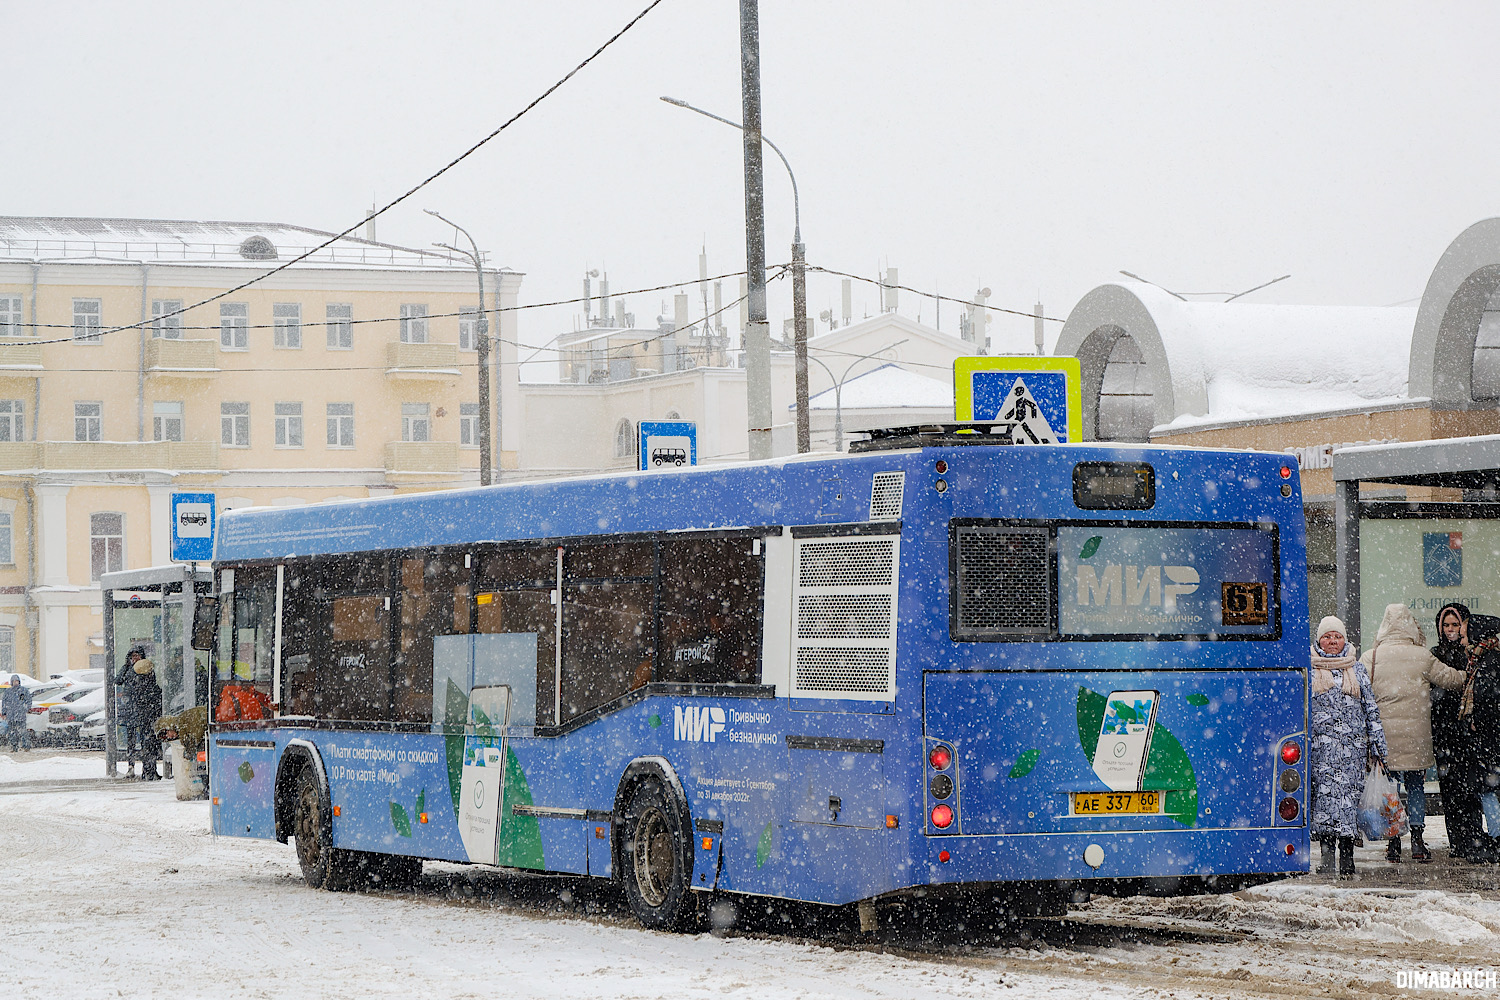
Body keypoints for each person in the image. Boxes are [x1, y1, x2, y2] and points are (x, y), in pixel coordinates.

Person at [1361, 604, 1466, 863]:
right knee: (1416, 785)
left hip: (1385, 737)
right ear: (1411, 624)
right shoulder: (1421, 656)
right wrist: (1473, 670)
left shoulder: (1370, 657)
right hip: (1416, 736)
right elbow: (1452, 679)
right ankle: (1417, 840)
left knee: (1391, 787)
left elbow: (1359, 692)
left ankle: (1394, 841)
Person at [1309, 616, 1387, 877]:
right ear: (1319, 640)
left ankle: (1348, 858)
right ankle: (1327, 856)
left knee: (1348, 804)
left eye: (1338, 636)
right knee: (1324, 804)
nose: (1333, 641)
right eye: (1327, 636)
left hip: (1351, 753)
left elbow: (1371, 709)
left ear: (1345, 639)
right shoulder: (1309, 669)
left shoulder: (1357, 668)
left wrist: (1378, 747)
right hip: (1320, 753)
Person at [1431, 604, 1492, 860]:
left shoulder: (1474, 654)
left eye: (1455, 624)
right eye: (1446, 625)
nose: (1451, 630)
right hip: (1444, 730)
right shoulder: (1434, 654)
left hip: (1467, 731)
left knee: (1471, 788)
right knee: (1450, 789)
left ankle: (1473, 838)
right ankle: (1457, 840)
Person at [118, 649, 164, 780]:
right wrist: (128, 668)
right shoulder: (130, 671)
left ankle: (149, 769)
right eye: (133, 656)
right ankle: (138, 768)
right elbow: (118, 680)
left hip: (146, 711)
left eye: (137, 656)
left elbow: (150, 688)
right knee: (138, 741)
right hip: (137, 711)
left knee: (149, 741)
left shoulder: (145, 670)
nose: (135, 659)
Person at [2, 674, 33, 752]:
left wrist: (26, 708)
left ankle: (26, 746)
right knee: (12, 733)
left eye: (17, 681)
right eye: (14, 681)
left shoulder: (23, 691)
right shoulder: (8, 692)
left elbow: (28, 700)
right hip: (11, 716)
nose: (16, 683)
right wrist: (4, 712)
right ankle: (14, 747)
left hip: (20, 715)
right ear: (11, 682)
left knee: (23, 732)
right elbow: (4, 703)